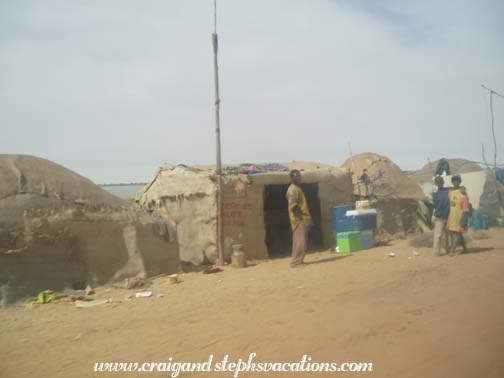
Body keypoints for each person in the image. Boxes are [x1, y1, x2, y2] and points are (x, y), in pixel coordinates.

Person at [286, 170, 312, 268]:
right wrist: (302, 218)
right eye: (296, 176)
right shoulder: (292, 190)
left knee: (300, 240)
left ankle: (299, 260)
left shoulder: (297, 188)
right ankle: (295, 263)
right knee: (301, 241)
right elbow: (293, 205)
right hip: (298, 219)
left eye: (299, 176)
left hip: (302, 218)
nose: (299, 178)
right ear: (291, 178)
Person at [447, 175, 469, 255]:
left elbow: (466, 207)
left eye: (457, 181)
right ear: (452, 182)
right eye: (454, 181)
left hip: (460, 216)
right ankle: (465, 248)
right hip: (452, 216)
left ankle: (452, 250)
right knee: (457, 233)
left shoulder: (463, 193)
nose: (455, 182)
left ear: (460, 182)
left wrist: (464, 218)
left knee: (457, 233)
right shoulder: (450, 192)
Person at [432, 176, 450, 256]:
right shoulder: (435, 194)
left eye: (440, 182)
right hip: (439, 216)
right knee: (438, 235)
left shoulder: (448, 190)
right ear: (436, 184)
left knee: (446, 235)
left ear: (443, 182)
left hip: (448, 215)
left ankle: (447, 250)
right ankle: (436, 252)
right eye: (438, 182)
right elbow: (436, 205)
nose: (439, 183)